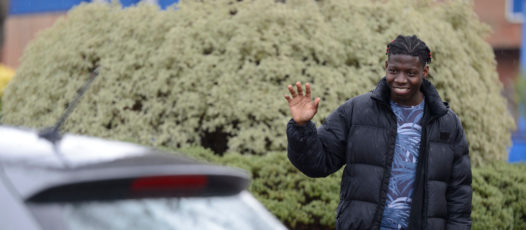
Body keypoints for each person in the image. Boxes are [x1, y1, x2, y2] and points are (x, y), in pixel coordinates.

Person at [284, 35, 472, 230]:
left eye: (410, 73)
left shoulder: (447, 123)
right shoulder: (356, 111)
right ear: (385, 67)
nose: (400, 79)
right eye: (394, 71)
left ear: (424, 72)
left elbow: (459, 195)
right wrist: (302, 127)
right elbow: (318, 164)